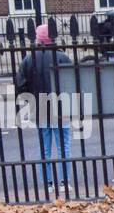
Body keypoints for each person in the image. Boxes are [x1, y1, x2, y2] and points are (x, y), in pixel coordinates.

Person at [16, 23, 73, 194]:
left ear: (38, 39)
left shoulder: (28, 59)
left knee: (44, 148)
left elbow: (21, 84)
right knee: (64, 146)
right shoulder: (62, 57)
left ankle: (48, 183)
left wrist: (31, 100)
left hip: (39, 108)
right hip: (61, 107)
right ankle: (64, 182)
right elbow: (71, 82)